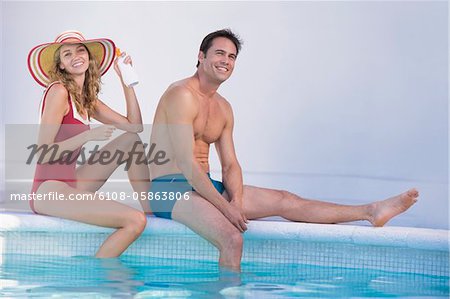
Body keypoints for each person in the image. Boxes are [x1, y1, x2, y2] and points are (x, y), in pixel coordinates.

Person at [148, 29, 419, 270]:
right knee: (232, 239)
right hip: (170, 188)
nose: (225, 61)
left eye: (231, 57)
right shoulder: (181, 94)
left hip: (204, 186)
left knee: (285, 199)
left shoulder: (224, 108)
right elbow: (185, 161)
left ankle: (370, 211)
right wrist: (226, 208)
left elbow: (231, 165)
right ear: (201, 56)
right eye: (220, 53)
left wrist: (237, 203)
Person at [28, 30, 150, 258]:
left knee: (131, 141)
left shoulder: (86, 99)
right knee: (134, 221)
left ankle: (152, 211)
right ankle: (97, 281)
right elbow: (43, 152)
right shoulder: (58, 91)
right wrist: (86, 136)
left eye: (80, 49)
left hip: (72, 182)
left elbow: (135, 126)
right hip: (48, 189)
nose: (75, 55)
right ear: (61, 65)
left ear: (88, 57)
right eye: (67, 53)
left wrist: (126, 81)